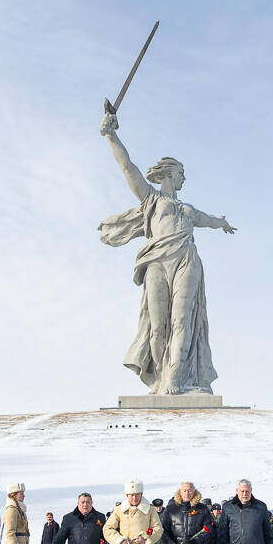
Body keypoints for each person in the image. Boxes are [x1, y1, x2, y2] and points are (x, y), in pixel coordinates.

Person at [98, 111, 236, 396]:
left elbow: (208, 219)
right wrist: (111, 135)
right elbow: (128, 168)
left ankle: (177, 378)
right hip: (156, 261)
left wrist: (221, 222)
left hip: (186, 260)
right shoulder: (152, 199)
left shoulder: (188, 210)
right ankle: (160, 377)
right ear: (171, 173)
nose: (185, 178)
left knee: (182, 320)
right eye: (182, 174)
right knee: (158, 326)